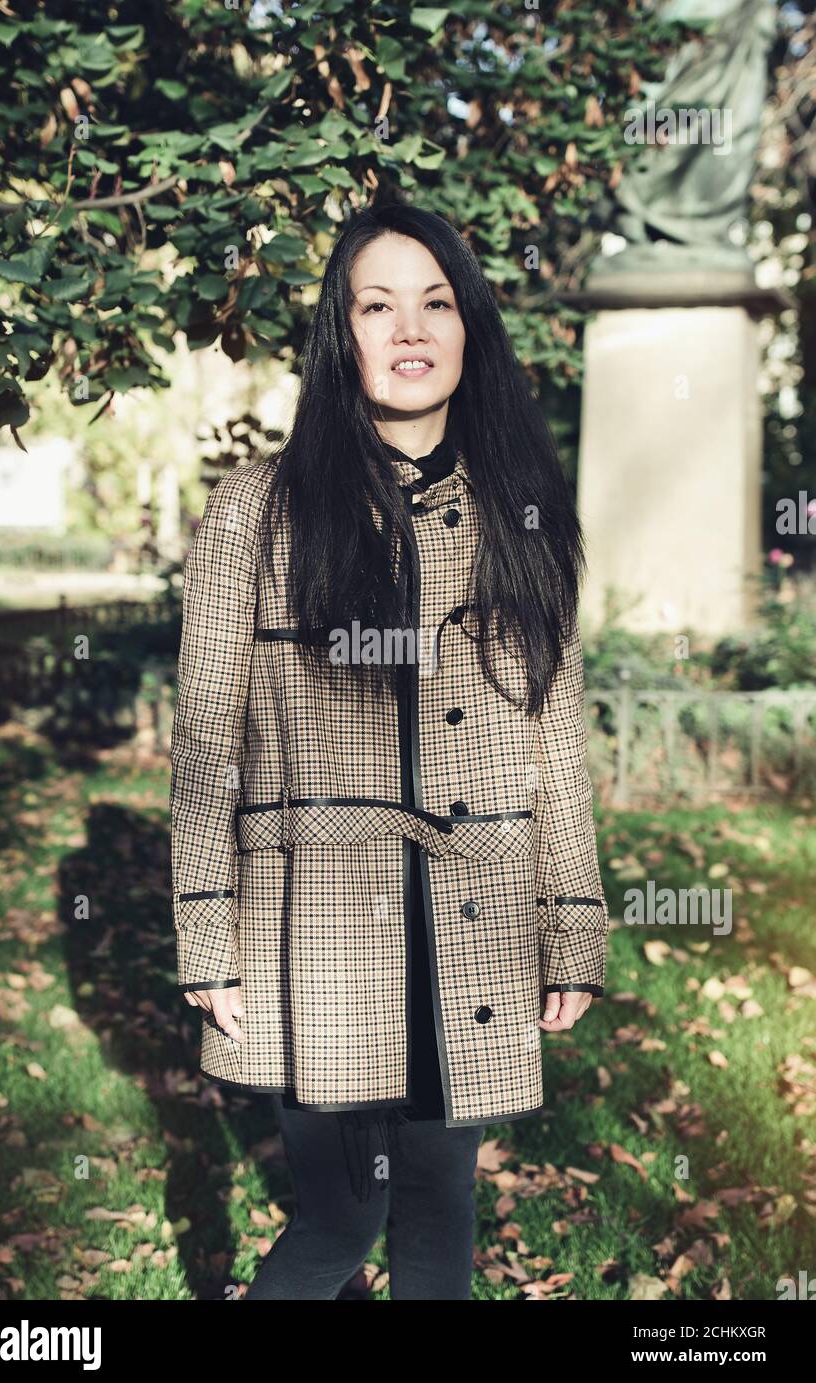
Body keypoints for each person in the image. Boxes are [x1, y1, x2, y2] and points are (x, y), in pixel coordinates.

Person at [169, 198, 609, 1301]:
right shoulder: (255, 512)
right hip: (310, 924)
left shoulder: (526, 512)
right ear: (340, 333)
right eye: (377, 304)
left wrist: (572, 920)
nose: (409, 329)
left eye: (435, 302)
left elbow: (552, 735)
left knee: (440, 1202)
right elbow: (205, 738)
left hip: (474, 918)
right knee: (339, 1213)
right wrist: (205, 930)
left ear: (469, 331)